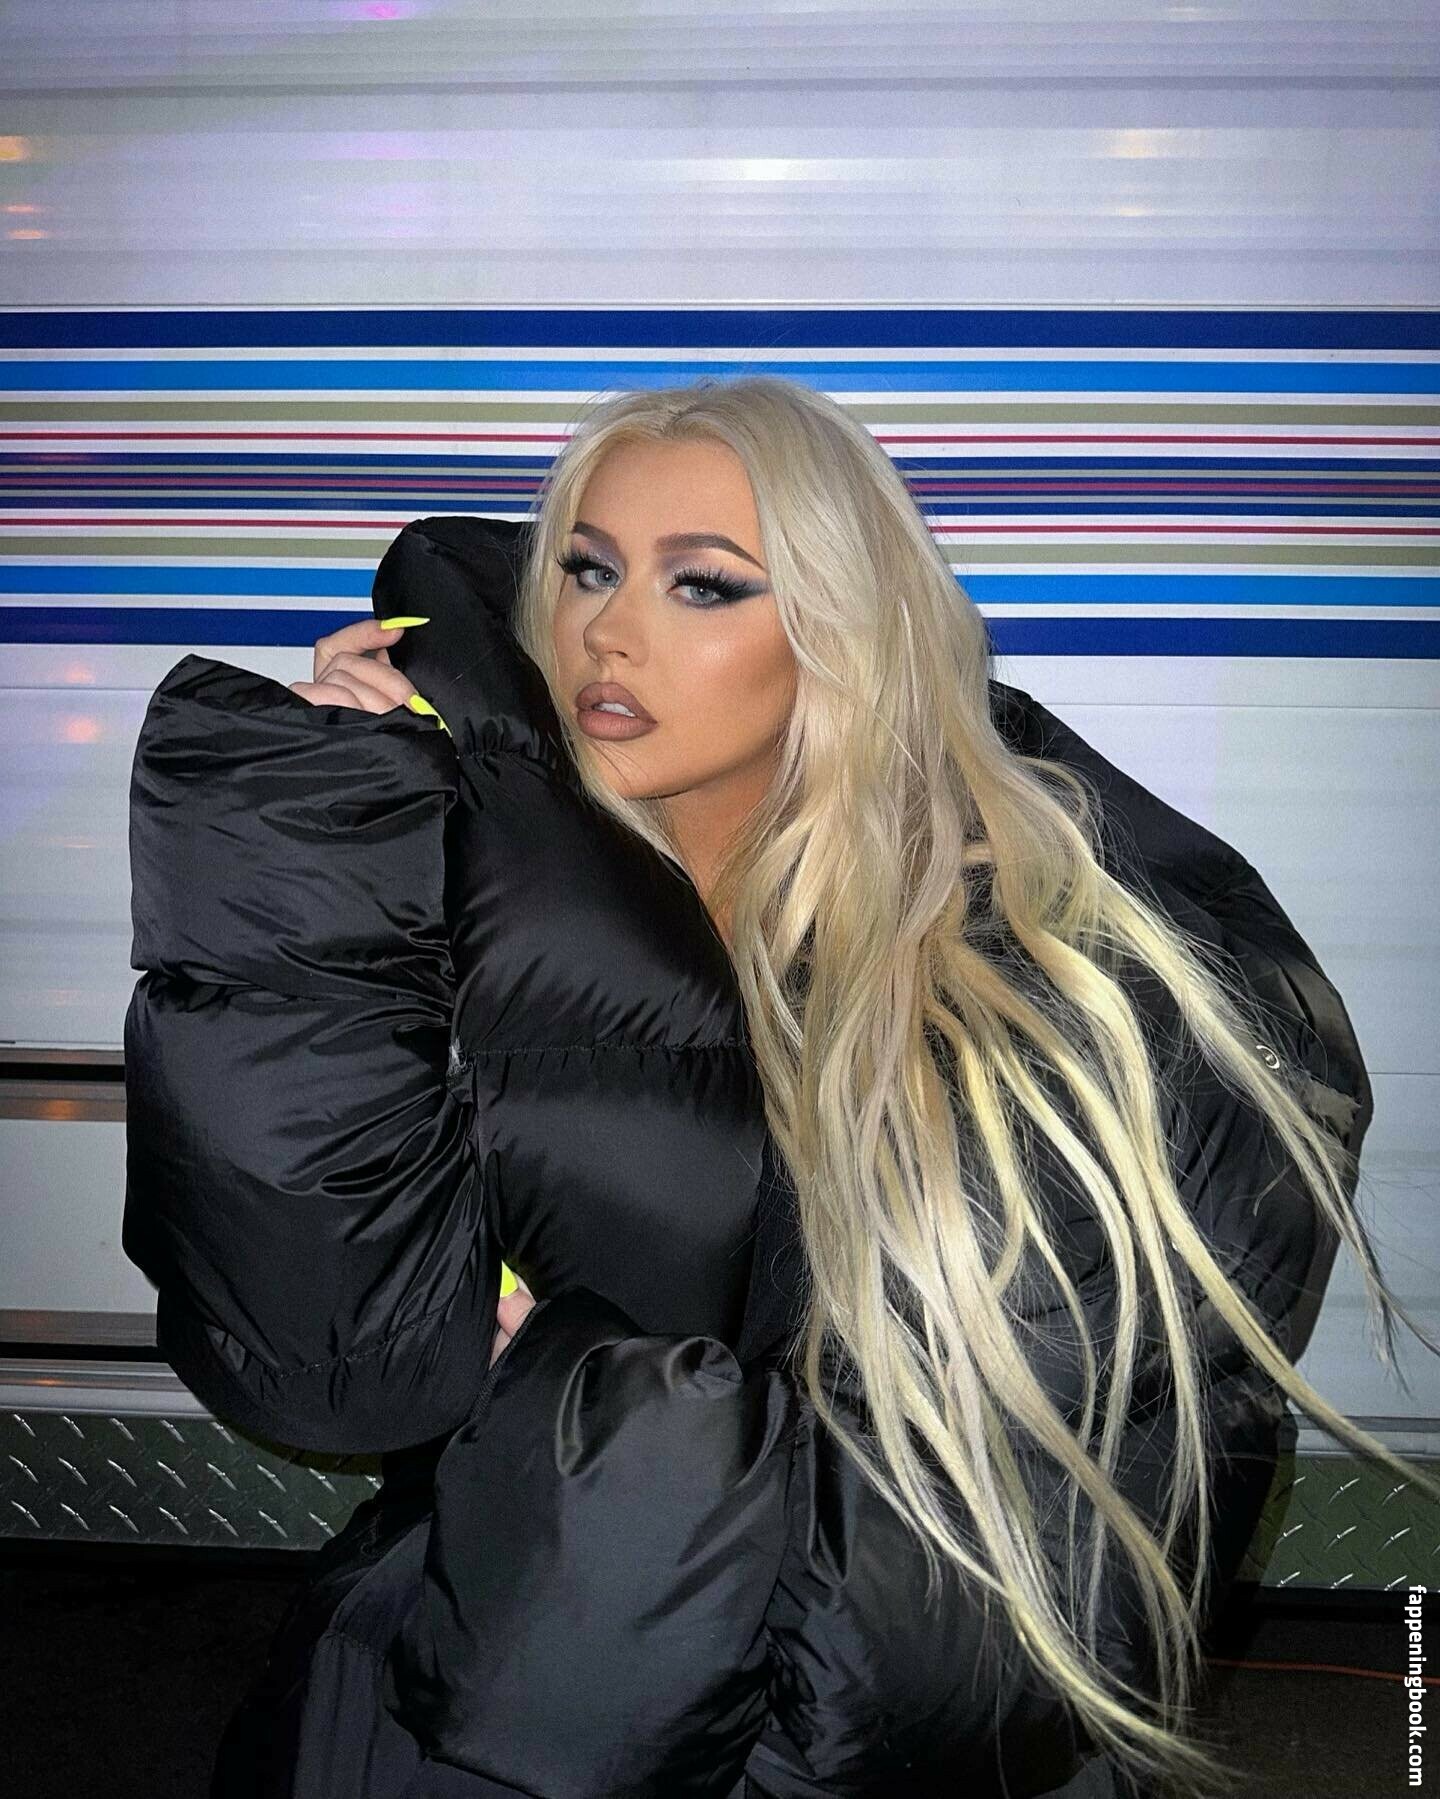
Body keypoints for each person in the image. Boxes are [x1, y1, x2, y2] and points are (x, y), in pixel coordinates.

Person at [122, 374, 1440, 1799]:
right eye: (586, 569)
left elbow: (969, 1615)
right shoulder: (491, 876)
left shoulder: (1036, 988)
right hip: (464, 1644)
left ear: (838, 627)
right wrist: (320, 831)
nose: (607, 632)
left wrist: (581, 1413)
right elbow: (323, 1360)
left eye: (704, 586)